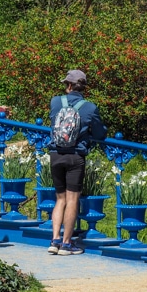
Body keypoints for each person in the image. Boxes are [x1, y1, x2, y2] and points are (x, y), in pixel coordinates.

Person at [47, 69, 106, 256]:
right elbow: (99, 133)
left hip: (56, 154)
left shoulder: (55, 102)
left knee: (60, 199)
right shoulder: (89, 107)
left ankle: (54, 239)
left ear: (69, 85)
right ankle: (66, 244)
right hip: (75, 157)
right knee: (72, 199)